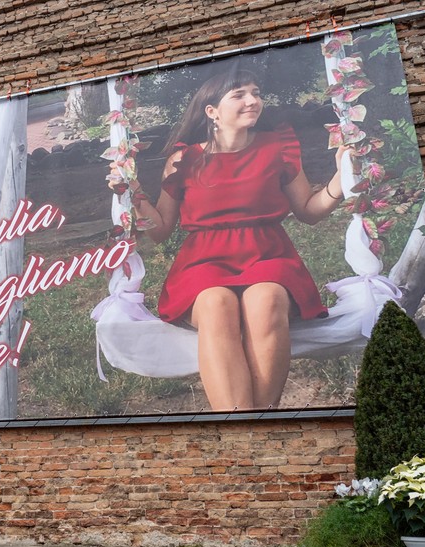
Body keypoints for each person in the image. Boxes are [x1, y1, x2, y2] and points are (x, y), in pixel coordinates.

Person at [131, 68, 347, 412]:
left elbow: (308, 210)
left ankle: (256, 424)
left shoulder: (278, 146)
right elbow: (159, 230)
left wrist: (341, 178)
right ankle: (241, 426)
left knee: (267, 299)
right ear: (212, 111)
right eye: (240, 95)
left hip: (268, 254)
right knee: (216, 305)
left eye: (256, 92)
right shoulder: (184, 159)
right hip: (203, 262)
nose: (253, 100)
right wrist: (135, 194)